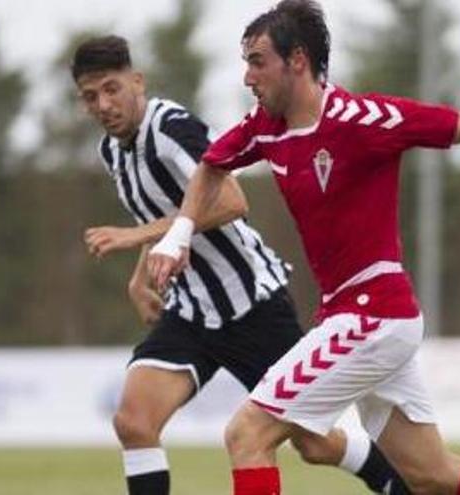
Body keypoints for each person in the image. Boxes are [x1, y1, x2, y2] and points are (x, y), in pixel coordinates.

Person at [147, 2, 460, 494]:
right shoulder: (266, 125)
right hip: (353, 317)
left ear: (298, 61)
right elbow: (212, 165)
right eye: (245, 61)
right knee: (431, 474)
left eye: (257, 61)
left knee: (246, 433)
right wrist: (179, 235)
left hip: (373, 315)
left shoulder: (365, 120)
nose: (247, 76)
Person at [72, 35, 410, 495]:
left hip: (251, 304)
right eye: (91, 96)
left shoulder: (171, 129)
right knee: (134, 421)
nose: (103, 104)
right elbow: (160, 216)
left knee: (312, 443)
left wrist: (134, 237)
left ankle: (394, 480)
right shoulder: (112, 152)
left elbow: (232, 200)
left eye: (112, 88)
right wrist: (140, 276)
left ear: (137, 81)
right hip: (191, 312)